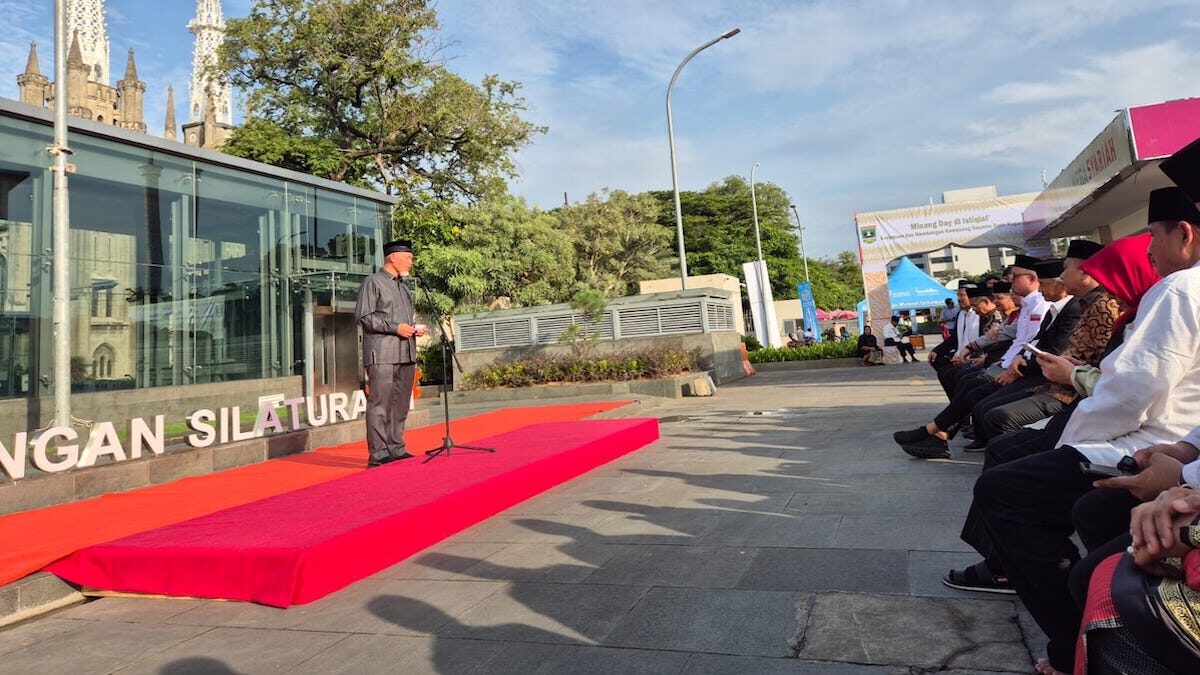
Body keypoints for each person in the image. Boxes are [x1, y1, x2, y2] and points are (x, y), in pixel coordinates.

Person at [967, 188, 1200, 674]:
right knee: (1073, 496)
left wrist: (1072, 435)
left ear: (1185, 234)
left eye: (1153, 237)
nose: (1150, 250)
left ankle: (1073, 642)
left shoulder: (1179, 290)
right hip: (1171, 439)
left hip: (1138, 438)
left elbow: (1132, 391)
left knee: (1005, 487)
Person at [355, 239, 427, 468]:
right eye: (408, 257)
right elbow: (364, 316)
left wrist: (413, 329)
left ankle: (397, 447)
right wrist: (395, 327)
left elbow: (402, 320)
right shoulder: (373, 282)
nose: (411, 261)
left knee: (401, 404)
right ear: (393, 257)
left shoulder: (403, 287)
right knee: (380, 403)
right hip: (382, 353)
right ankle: (378, 454)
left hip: (406, 352)